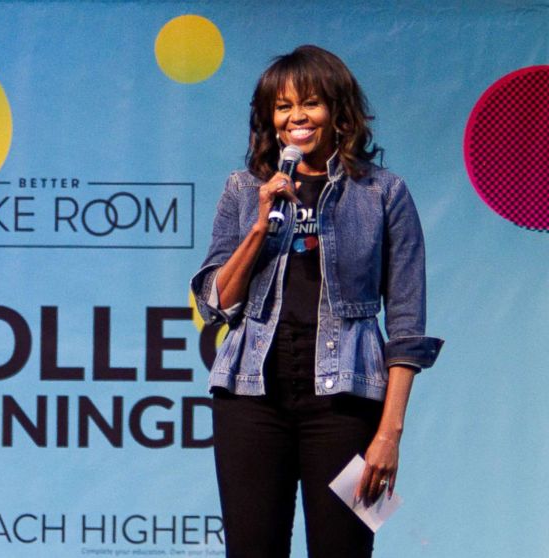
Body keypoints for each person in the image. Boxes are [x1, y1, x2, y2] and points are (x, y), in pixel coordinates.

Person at [190, 45, 443, 558]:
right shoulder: (244, 189)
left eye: (310, 103)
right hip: (249, 399)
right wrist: (260, 225)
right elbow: (215, 302)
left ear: (339, 113)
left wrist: (389, 436)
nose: (296, 118)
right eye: (282, 107)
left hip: (347, 401)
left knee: (345, 550)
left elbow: (407, 327)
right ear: (270, 119)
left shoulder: (383, 193)